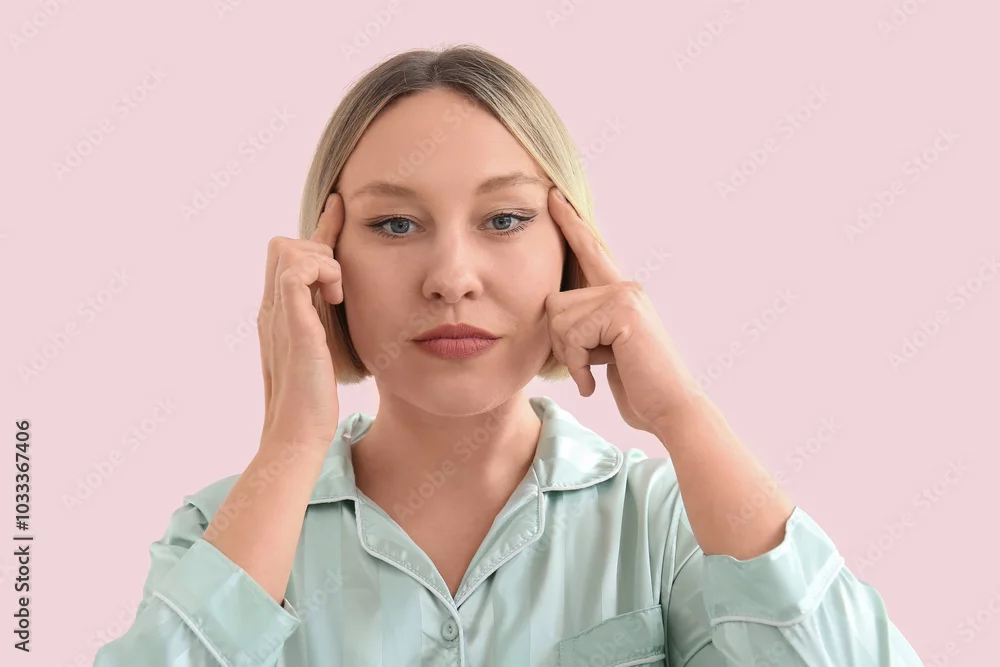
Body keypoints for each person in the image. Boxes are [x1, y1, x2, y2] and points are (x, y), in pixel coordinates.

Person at [94, 45, 923, 666]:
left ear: (570, 249)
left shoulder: (663, 523)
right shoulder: (223, 528)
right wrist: (290, 441)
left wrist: (683, 413)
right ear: (326, 261)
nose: (452, 277)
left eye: (503, 220)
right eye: (394, 224)